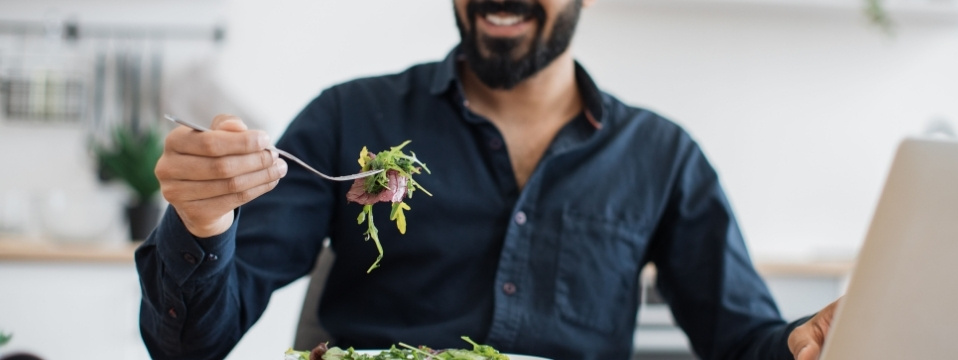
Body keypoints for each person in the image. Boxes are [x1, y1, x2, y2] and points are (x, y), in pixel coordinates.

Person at [136, 0, 839, 359]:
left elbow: (745, 342)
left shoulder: (661, 156)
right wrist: (204, 222)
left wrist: (805, 342)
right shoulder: (350, 116)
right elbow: (190, 345)